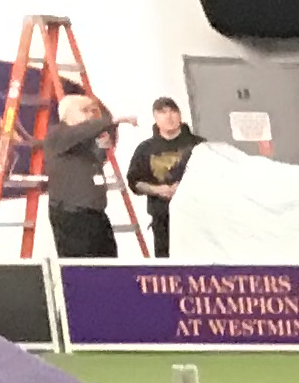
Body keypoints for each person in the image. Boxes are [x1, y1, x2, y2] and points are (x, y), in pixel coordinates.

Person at [39, 84, 119, 259]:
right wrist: (111, 121)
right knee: (81, 264)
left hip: (95, 211)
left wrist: (101, 146)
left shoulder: (84, 139)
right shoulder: (58, 134)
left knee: (108, 259)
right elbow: (83, 131)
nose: (90, 115)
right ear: (69, 114)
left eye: (93, 110)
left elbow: (94, 162)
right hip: (71, 212)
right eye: (84, 110)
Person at [124, 98, 196, 255]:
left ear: (180, 115)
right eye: (163, 112)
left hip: (195, 217)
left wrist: (184, 188)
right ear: (155, 117)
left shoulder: (198, 145)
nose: (169, 117)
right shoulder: (145, 149)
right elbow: (135, 181)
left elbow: (214, 177)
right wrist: (158, 190)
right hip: (162, 216)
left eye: (173, 111)